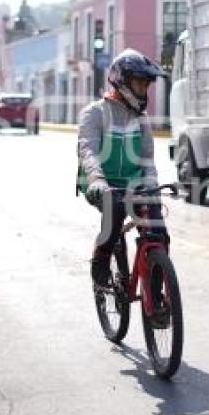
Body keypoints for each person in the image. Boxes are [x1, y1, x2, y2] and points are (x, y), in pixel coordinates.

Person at [76, 49, 168, 288]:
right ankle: (101, 258)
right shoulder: (94, 113)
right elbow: (88, 150)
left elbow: (147, 160)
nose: (143, 90)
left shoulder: (141, 119)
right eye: (139, 83)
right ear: (123, 82)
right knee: (115, 208)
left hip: (135, 185)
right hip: (102, 185)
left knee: (159, 234)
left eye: (146, 85)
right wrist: (96, 179)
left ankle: (158, 301)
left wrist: (153, 188)